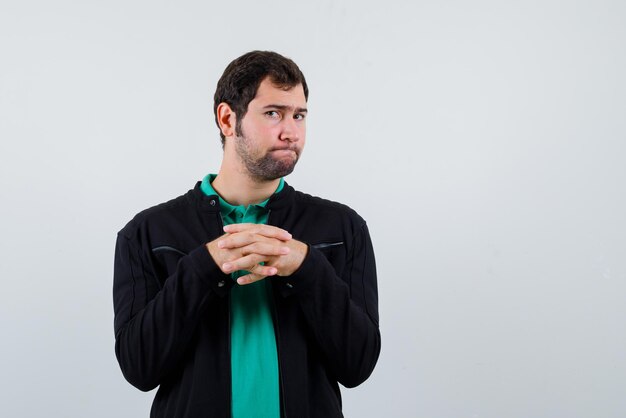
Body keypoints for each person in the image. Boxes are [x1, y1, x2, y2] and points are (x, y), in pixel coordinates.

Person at [113, 50, 380, 418]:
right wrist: (204, 266)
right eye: (273, 113)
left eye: (299, 115)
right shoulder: (147, 233)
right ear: (227, 119)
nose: (291, 132)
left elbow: (358, 366)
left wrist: (307, 267)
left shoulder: (343, 228)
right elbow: (139, 368)